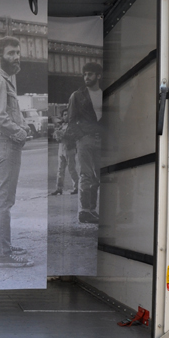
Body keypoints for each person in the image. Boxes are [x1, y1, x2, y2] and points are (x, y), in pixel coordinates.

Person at [0, 37, 34, 267]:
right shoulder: (0, 81)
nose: (16, 57)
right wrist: (20, 132)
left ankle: (1, 246)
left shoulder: (1, 80)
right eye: (11, 53)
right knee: (4, 201)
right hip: (5, 144)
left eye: (17, 53)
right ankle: (2, 255)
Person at [66, 62, 103, 224]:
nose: (86, 77)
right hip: (85, 140)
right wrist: (80, 137)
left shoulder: (105, 94)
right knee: (86, 175)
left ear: (98, 76)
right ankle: (84, 211)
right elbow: (71, 120)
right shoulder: (77, 95)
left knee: (98, 177)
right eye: (85, 74)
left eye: (90, 74)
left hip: (101, 139)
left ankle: (91, 210)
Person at [51, 109, 78, 196]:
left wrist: (62, 134)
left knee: (71, 169)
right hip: (61, 147)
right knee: (60, 169)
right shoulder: (61, 125)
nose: (65, 116)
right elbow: (57, 137)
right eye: (64, 114)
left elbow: (74, 136)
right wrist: (57, 135)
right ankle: (59, 188)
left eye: (67, 114)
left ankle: (77, 187)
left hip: (69, 148)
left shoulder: (73, 125)